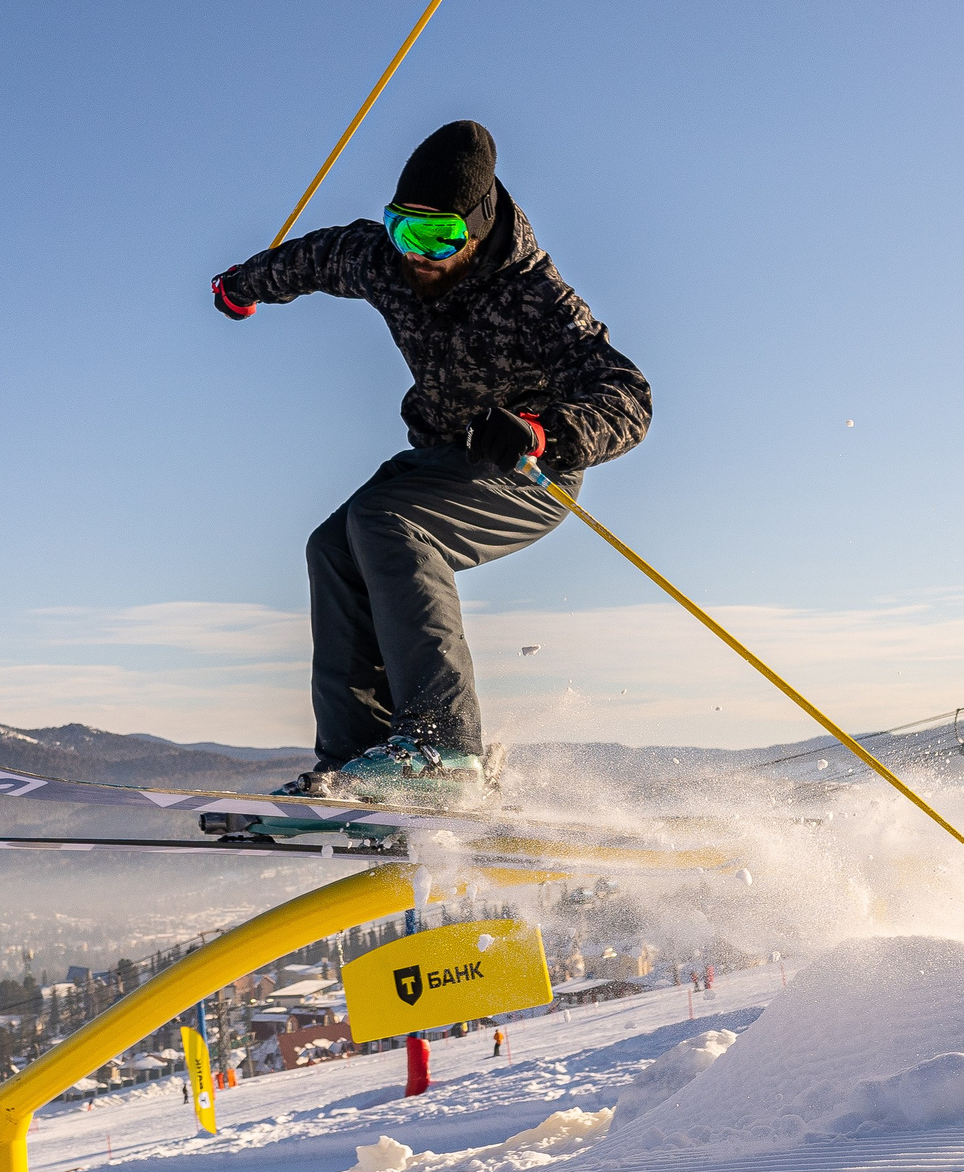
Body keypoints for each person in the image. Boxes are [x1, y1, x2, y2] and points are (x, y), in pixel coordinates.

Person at [207, 122, 651, 820]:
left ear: (476, 230)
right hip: (440, 458)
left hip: (529, 473)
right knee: (333, 544)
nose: (417, 255)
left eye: (437, 238)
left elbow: (629, 397)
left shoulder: (536, 297)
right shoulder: (381, 258)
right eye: (402, 231)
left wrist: (543, 431)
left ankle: (443, 749)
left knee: (385, 521)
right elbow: (314, 259)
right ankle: (358, 758)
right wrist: (242, 284)